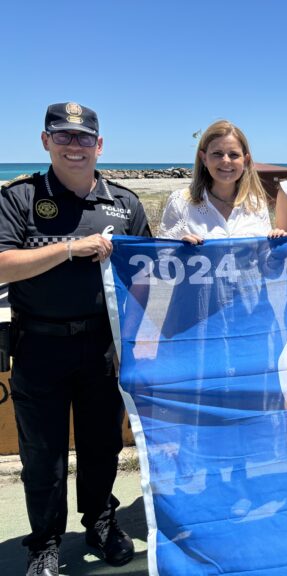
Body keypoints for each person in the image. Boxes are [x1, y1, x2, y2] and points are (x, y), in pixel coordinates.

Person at [0, 102, 151, 575]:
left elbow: (147, 274)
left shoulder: (124, 203)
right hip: (38, 346)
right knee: (41, 453)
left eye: (84, 138)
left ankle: (101, 523)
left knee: (102, 444)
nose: (74, 145)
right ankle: (44, 543)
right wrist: (69, 249)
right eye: (62, 136)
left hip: (102, 347)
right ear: (45, 141)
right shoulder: (19, 199)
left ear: (99, 146)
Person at [159, 120, 284, 242]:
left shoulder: (257, 205)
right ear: (203, 158)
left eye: (234, 155)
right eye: (217, 153)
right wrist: (180, 249)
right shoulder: (180, 204)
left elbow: (265, 259)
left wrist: (278, 240)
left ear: (245, 161)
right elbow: (162, 257)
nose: (226, 160)